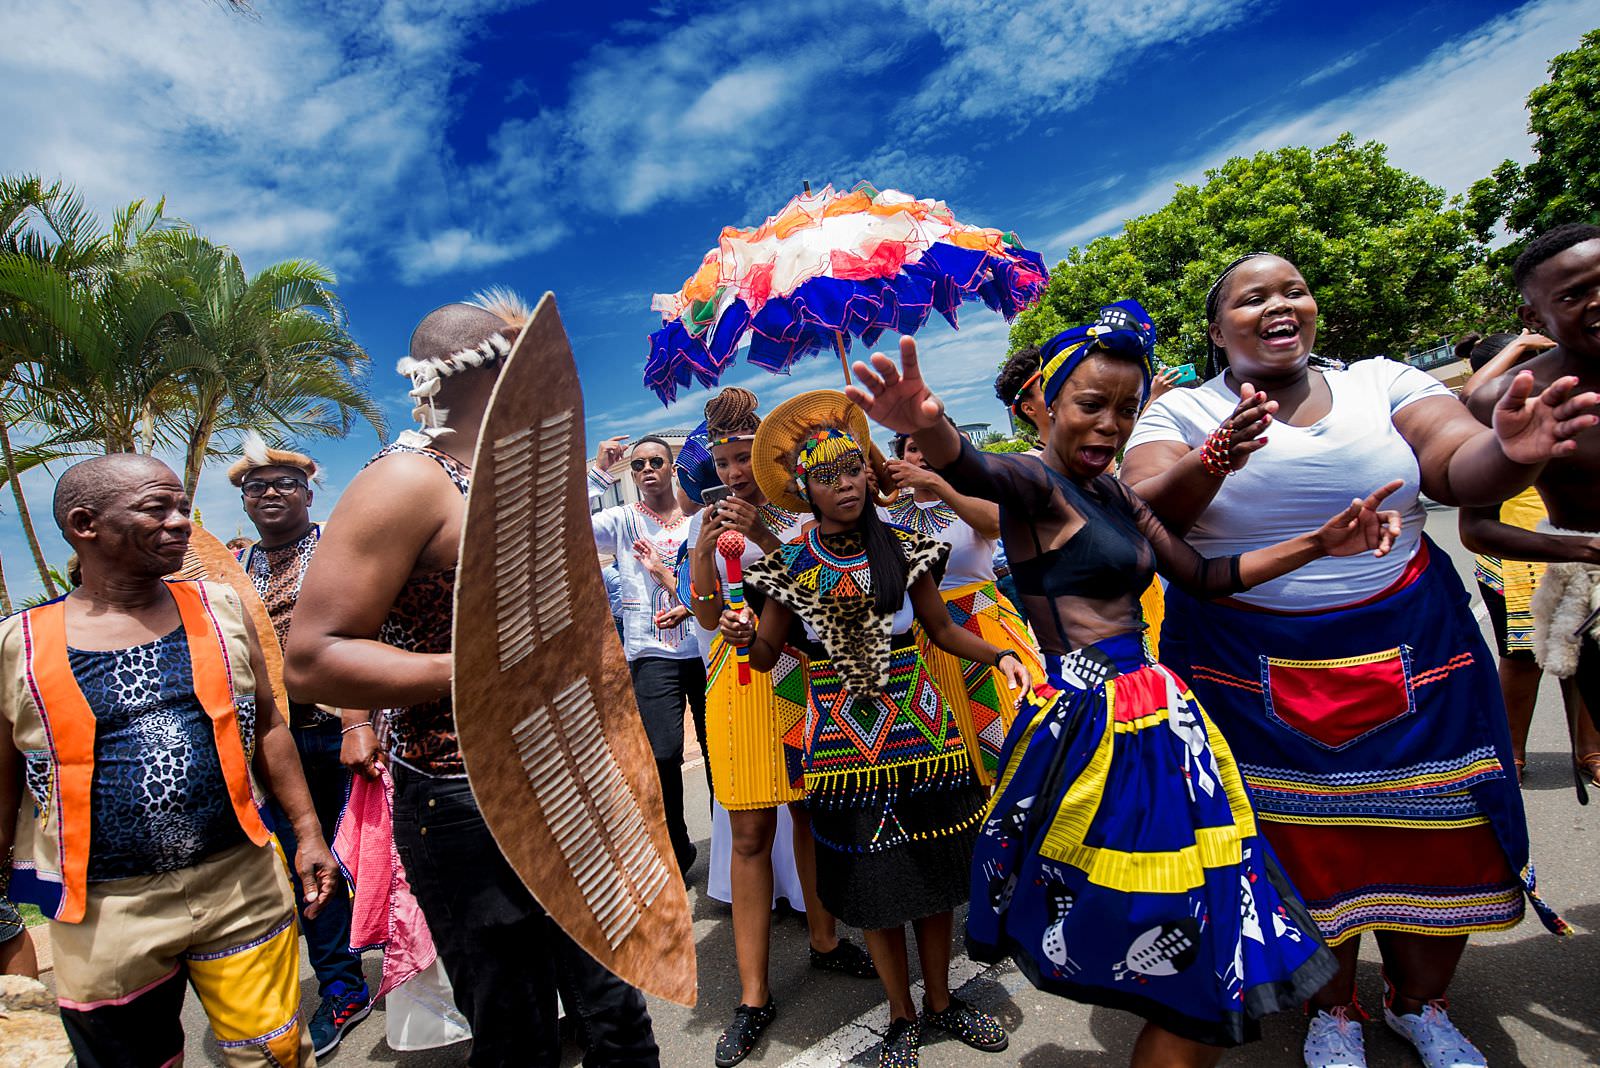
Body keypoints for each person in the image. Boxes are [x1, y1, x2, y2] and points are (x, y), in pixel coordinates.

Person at [851, 305, 1377, 1065]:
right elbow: (977, 469)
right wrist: (928, 429)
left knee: (1204, 925)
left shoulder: (1119, 496)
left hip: (1162, 718)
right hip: (1098, 728)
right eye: (1091, 405)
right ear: (1046, 402)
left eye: (1127, 409)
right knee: (1176, 933)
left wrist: (1321, 543)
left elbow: (1203, 576)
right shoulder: (1035, 484)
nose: (1109, 426)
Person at [1121, 253, 1590, 1068]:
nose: (1280, 304)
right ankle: (1333, 1010)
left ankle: (1420, 1006)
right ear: (1216, 327)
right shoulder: (1183, 413)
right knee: (1299, 847)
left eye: (1294, 289)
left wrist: (1512, 452)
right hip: (1245, 669)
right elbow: (1146, 506)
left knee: (1442, 835)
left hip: (1414, 648)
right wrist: (1214, 459)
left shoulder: (1383, 381)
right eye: (1252, 297)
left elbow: (1452, 460)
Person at [285, 291, 659, 1067]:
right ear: (492, 374)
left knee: (616, 1009)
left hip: (567, 776)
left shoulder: (506, 476)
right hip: (466, 792)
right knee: (515, 1025)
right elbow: (313, 653)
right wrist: (482, 671)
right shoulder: (405, 483)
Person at [0, 453, 338, 1066]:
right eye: (159, 509)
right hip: (103, 909)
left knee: (274, 1054)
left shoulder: (220, 608)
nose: (182, 522)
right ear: (85, 525)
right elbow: (2, 782)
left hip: (240, 879)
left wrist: (310, 835)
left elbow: (268, 727)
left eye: (183, 506)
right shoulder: (17, 645)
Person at [732, 390, 1027, 1068]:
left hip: (926, 738)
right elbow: (767, 658)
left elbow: (945, 631)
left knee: (931, 881)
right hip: (841, 749)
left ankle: (943, 1003)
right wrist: (744, 631)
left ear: (871, 472)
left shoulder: (906, 547)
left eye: (853, 469)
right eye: (827, 475)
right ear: (803, 487)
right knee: (878, 888)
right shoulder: (789, 568)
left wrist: (1003, 653)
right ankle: (900, 1016)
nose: (844, 484)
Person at [683, 386, 875, 1066]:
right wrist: (706, 551)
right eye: (726, 461)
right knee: (750, 832)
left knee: (810, 818)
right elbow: (706, 617)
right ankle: (754, 995)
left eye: (745, 458)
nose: (736, 473)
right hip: (737, 685)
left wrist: (763, 537)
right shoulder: (699, 524)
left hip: (802, 680)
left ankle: (825, 941)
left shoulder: (801, 517)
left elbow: (824, 596)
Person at [231, 435, 372, 1055]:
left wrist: (353, 722)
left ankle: (424, 970)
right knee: (308, 862)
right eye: (255, 486)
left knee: (377, 853)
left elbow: (361, 632)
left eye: (284, 483)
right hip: (277, 744)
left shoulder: (337, 551)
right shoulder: (235, 569)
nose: (269, 493)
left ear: (309, 493)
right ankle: (343, 986)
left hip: (345, 731)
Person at [1462, 223, 1600, 754]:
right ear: (1534, 318)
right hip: (1574, 579)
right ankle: (1511, 758)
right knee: (1526, 660)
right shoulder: (1509, 404)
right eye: (1573, 294)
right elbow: (1477, 528)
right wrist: (1588, 550)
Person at [886, 428, 1044, 784]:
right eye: (913, 449)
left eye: (931, 447)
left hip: (985, 624)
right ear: (901, 458)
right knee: (953, 756)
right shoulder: (888, 512)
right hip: (924, 638)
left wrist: (940, 485)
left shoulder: (974, 499)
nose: (922, 455)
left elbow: (994, 525)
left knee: (1017, 741)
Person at [588, 433, 705, 877]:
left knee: (719, 753)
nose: (646, 470)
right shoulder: (620, 520)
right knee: (662, 754)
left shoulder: (695, 517)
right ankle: (677, 847)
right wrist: (598, 473)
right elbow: (561, 527)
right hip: (651, 654)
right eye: (638, 466)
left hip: (707, 649)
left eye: (656, 461)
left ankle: (733, 853)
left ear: (672, 466)